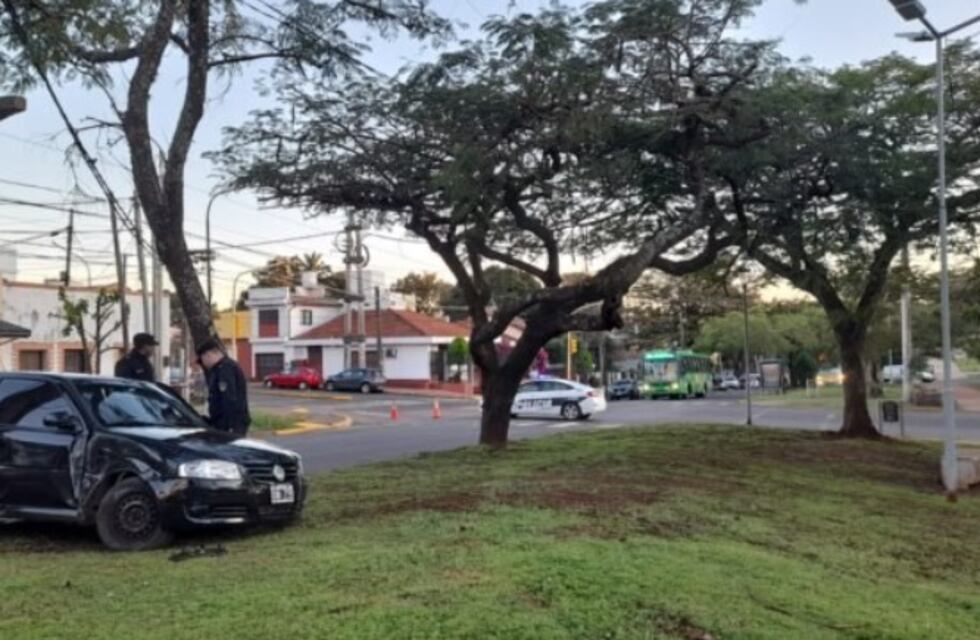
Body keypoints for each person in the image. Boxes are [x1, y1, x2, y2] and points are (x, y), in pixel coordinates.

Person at [197, 338, 251, 436]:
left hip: (231, 424)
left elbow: (229, 398)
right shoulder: (219, 369)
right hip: (224, 422)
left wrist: (229, 426)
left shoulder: (226, 369)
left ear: (208, 355)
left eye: (202, 360)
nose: (203, 364)